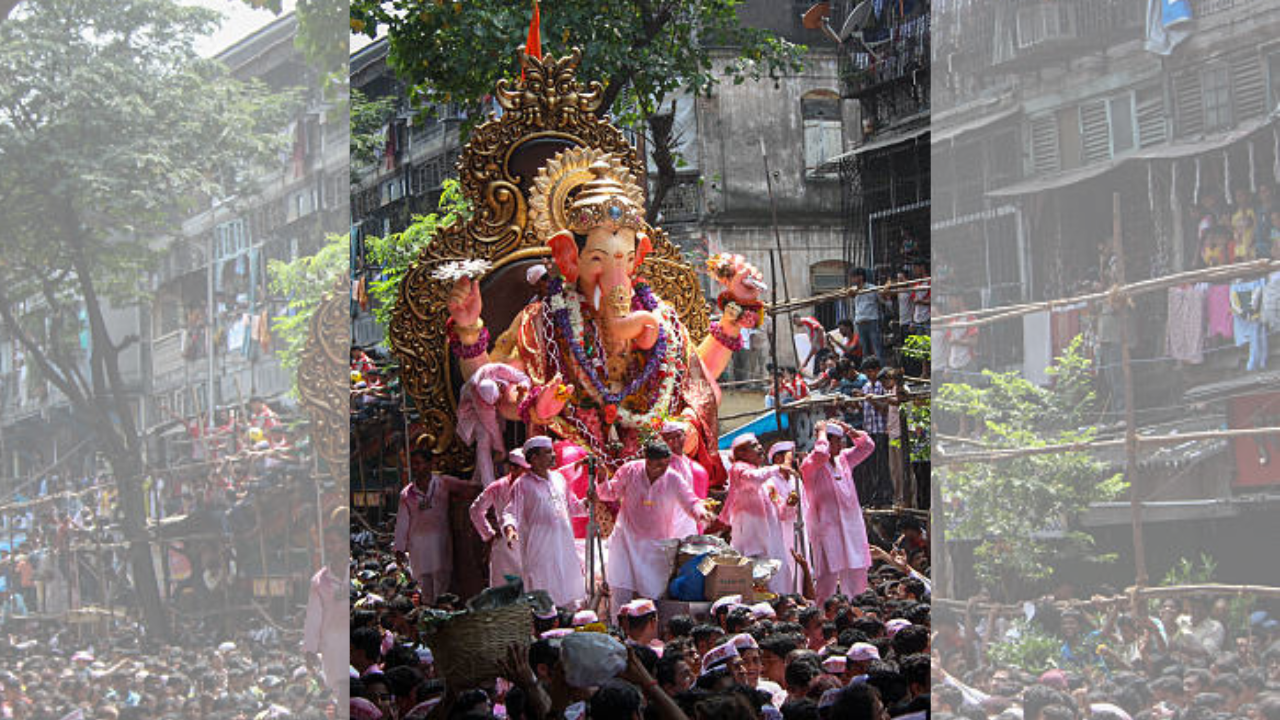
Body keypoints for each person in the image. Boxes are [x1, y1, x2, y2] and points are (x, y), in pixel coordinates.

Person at [596, 441, 712, 620]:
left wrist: (701, 513)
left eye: (667, 464)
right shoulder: (630, 470)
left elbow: (691, 501)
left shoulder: (673, 478)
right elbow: (608, 493)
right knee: (620, 588)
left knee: (653, 592)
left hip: (655, 545)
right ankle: (617, 629)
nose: (664, 468)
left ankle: (650, 633)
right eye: (659, 464)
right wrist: (602, 478)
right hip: (626, 539)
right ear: (647, 461)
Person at [502, 436, 588, 609]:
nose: (553, 456)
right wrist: (510, 529)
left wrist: (587, 502)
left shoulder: (559, 479)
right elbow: (511, 511)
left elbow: (572, 507)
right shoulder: (523, 484)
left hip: (563, 545)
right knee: (544, 589)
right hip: (540, 547)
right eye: (548, 453)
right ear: (534, 458)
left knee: (567, 587)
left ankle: (567, 623)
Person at [800, 421, 875, 599]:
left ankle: (856, 605)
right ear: (826, 440)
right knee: (828, 577)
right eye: (837, 441)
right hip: (826, 529)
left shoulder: (844, 459)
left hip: (851, 527)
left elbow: (867, 446)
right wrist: (821, 432)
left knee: (856, 570)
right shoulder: (811, 463)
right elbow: (820, 454)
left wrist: (849, 429)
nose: (841, 445)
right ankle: (825, 612)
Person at [393, 446, 475, 602]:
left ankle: (439, 614)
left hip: (440, 542)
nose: (416, 468)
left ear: (430, 464)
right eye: (414, 464)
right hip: (418, 545)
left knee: (441, 583)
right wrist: (399, 548)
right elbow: (402, 522)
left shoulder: (443, 483)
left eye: (419, 463)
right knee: (425, 587)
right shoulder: (407, 494)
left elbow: (469, 488)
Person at [722, 433, 799, 595]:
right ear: (742, 453)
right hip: (751, 541)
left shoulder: (768, 482)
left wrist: (790, 505)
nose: (760, 448)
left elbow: (782, 513)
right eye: (754, 446)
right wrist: (778, 467)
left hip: (773, 541)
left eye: (759, 445)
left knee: (778, 580)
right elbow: (753, 478)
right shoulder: (739, 470)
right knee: (755, 584)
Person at [303, 506, 350, 702]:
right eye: (327, 544)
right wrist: (310, 649)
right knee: (339, 694)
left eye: (334, 543)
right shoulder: (318, 581)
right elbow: (313, 617)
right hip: (332, 647)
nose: (330, 548)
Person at [468, 449, 527, 588]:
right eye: (524, 470)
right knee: (503, 590)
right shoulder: (497, 487)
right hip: (505, 546)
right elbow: (475, 510)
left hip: (528, 542)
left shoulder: (531, 484)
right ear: (512, 468)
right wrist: (489, 535)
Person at [658, 420, 710, 539]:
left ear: (685, 436)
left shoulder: (686, 462)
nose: (675, 441)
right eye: (669, 439)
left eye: (678, 436)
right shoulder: (664, 463)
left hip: (688, 515)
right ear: (664, 441)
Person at [851, 268, 886, 362]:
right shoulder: (853, 291)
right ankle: (868, 372)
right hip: (860, 322)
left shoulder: (872, 288)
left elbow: (883, 301)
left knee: (877, 349)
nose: (852, 280)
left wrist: (885, 294)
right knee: (865, 351)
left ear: (861, 277)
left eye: (854, 277)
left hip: (872, 322)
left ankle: (881, 370)